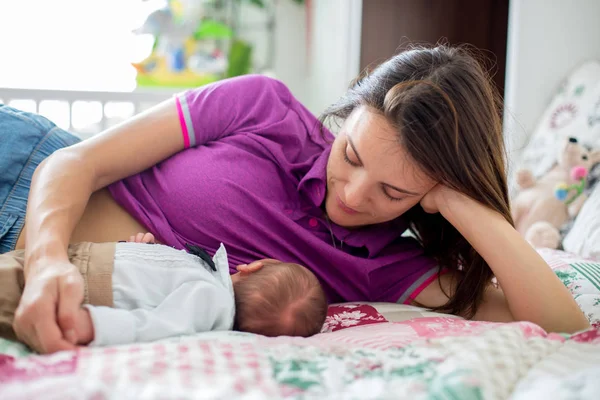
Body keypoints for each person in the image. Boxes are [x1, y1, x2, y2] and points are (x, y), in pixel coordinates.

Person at [0, 45, 589, 354]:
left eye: (393, 191)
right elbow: (77, 161)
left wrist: (464, 203)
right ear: (349, 111)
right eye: (351, 156)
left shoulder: (391, 270)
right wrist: (47, 258)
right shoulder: (264, 107)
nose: (353, 195)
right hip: (28, 172)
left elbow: (563, 323)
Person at [0, 234, 328, 347]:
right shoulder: (208, 281)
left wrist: (94, 325)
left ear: (255, 265)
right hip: (80, 263)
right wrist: (142, 250)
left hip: (81, 282)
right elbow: (155, 285)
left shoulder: (211, 300)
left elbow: (158, 326)